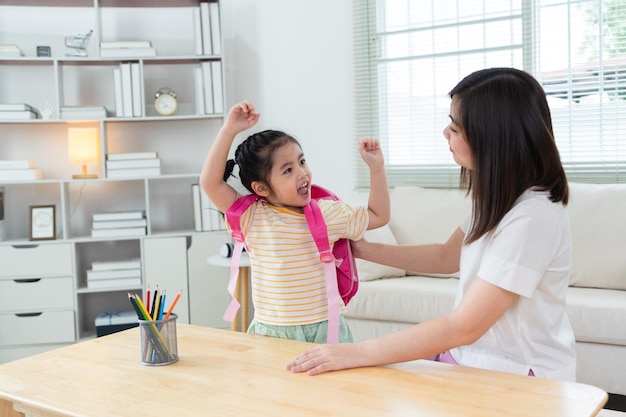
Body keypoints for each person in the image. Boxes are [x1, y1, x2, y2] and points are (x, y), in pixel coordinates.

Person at [287, 67, 577, 381]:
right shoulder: (502, 198)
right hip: (476, 357)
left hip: (520, 374)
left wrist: (356, 352)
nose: (445, 133)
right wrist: (360, 249)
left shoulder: (533, 218)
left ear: (491, 136)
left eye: (455, 127)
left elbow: (465, 325)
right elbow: (446, 256)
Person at [199, 100, 390, 343]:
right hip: (272, 331)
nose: (302, 173)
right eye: (287, 170)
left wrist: (376, 169)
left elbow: (378, 215)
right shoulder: (253, 217)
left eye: (302, 162)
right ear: (261, 188)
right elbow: (210, 183)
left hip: (326, 329)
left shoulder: (329, 213)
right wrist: (229, 130)